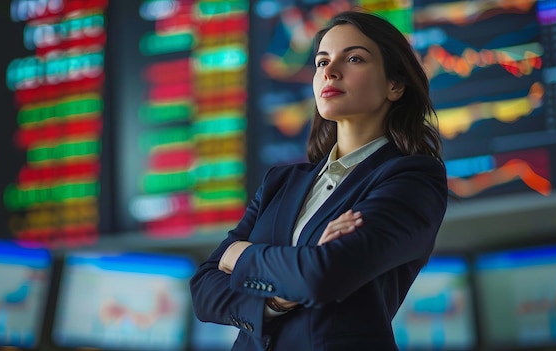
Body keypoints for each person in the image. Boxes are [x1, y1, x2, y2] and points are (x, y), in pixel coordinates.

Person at [190, 10, 448, 351]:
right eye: (321, 61)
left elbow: (322, 275)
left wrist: (240, 255)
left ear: (395, 85)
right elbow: (204, 290)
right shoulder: (280, 182)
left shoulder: (413, 179)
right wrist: (277, 299)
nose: (330, 71)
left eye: (354, 58)